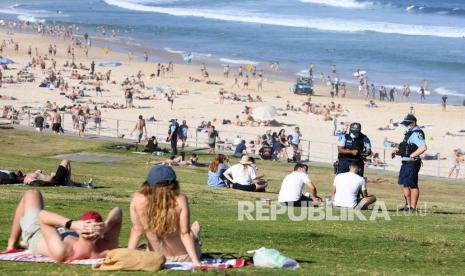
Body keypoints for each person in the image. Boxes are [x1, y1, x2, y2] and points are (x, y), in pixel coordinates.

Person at [6, 189, 122, 262]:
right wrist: (106, 225)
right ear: (99, 232)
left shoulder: (63, 250)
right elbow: (118, 211)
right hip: (59, 230)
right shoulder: (106, 247)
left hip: (37, 233)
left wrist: (72, 224)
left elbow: (42, 216)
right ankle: (18, 243)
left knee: (32, 193)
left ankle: (12, 245)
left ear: (79, 230)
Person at [128, 165, 202, 267]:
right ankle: (196, 232)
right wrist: (196, 262)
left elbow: (137, 231)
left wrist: (127, 256)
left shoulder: (138, 199)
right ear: (174, 184)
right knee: (193, 232)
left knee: (192, 231)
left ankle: (196, 232)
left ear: (147, 183)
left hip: (155, 257)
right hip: (184, 257)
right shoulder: (180, 200)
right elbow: (185, 233)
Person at [392, 114, 427, 211]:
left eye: (407, 123)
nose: (406, 125)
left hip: (412, 163)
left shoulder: (417, 133)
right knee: (402, 183)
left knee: (412, 185)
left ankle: (412, 207)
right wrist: (398, 152)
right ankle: (408, 205)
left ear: (413, 123)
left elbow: (423, 147)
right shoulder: (409, 133)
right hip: (405, 162)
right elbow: (407, 149)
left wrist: (412, 155)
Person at [22, 160, 92, 188]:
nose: (17, 172)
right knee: (66, 161)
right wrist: (52, 176)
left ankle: (83, 185)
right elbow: (41, 183)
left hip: (55, 179)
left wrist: (37, 172)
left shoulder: (27, 176)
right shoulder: (28, 179)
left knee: (64, 168)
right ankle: (68, 181)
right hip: (55, 181)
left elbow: (39, 172)